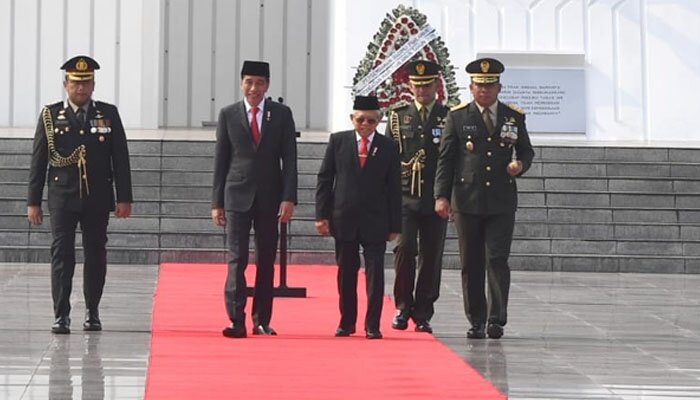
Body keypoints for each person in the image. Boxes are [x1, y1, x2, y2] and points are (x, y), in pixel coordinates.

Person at [27, 55, 133, 334]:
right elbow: (38, 160)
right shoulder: (51, 115)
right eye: (76, 83)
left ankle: (92, 311)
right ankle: (61, 313)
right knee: (62, 254)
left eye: (86, 83)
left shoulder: (107, 114)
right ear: (65, 84)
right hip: (62, 196)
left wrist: (124, 198)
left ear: (94, 85)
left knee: (96, 253)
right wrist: (33, 201)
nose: (81, 88)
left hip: (97, 196)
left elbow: (120, 158)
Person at [434, 57, 534, 339]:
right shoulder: (458, 116)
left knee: (497, 260)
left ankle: (496, 318)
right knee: (471, 261)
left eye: (490, 86)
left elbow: (526, 151)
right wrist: (441, 196)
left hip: (501, 200)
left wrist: (520, 166)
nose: (485, 91)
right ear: (471, 87)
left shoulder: (513, 116)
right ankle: (476, 318)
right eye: (480, 86)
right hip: (466, 199)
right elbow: (446, 159)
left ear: (499, 87)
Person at [211, 60, 297, 338]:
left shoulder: (281, 115)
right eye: (249, 82)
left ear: (267, 85)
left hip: (270, 198)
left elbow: (290, 160)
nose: (254, 88)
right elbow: (220, 160)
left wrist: (288, 198)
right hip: (236, 196)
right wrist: (216, 202)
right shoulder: (228, 114)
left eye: (260, 83)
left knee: (266, 259)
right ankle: (236, 319)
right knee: (237, 259)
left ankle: (261, 320)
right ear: (241, 83)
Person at [315, 95, 401, 340]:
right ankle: (346, 322)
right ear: (352, 118)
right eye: (360, 119)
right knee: (346, 273)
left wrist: (395, 223)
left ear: (379, 120)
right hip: (344, 218)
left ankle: (372, 324)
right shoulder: (338, 141)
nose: (365, 125)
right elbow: (325, 179)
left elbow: (394, 187)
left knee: (375, 275)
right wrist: (322, 215)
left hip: (376, 220)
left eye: (371, 121)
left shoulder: (388, 147)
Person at [387, 60, 448, 334]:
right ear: (409, 86)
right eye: (417, 85)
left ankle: (423, 312)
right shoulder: (398, 116)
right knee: (404, 249)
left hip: (436, 197)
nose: (422, 90)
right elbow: (390, 159)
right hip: (404, 197)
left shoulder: (449, 117)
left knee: (431, 256)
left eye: (427, 85)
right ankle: (402, 306)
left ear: (437, 85)